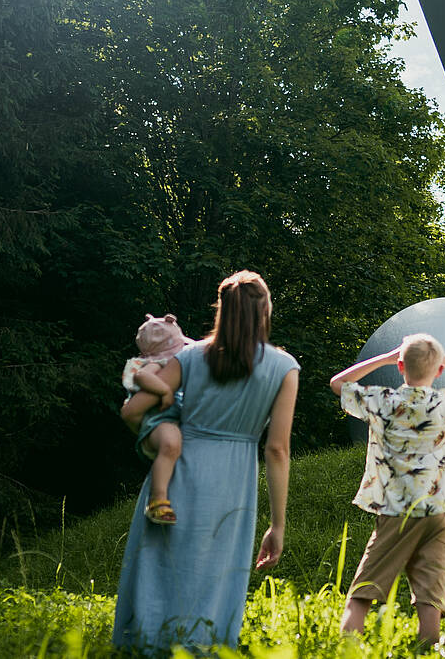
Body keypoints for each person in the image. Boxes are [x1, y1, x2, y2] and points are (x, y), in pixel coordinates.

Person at [112, 271, 299, 650]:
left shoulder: (188, 356)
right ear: (265, 310)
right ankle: (204, 647)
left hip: (180, 469)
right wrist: (277, 524)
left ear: (223, 311)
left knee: (161, 565)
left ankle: (146, 646)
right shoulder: (284, 368)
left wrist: (157, 436)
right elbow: (277, 449)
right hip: (233, 481)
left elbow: (132, 412)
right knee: (217, 571)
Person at [331, 334, 445, 647]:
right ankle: (428, 647)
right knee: (432, 591)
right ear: (440, 370)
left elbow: (338, 383)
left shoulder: (384, 401)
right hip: (441, 509)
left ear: (401, 365)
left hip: (395, 509)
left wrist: (385, 358)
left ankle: (347, 647)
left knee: (365, 588)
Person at [120, 313, 188, 525]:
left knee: (173, 446)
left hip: (164, 420)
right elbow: (142, 376)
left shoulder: (166, 363)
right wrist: (165, 390)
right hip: (157, 422)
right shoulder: (157, 362)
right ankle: (157, 501)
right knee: (170, 443)